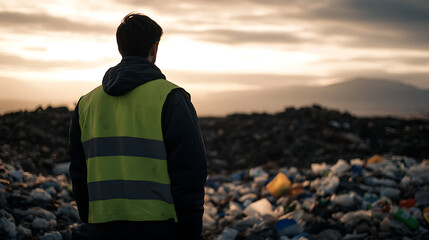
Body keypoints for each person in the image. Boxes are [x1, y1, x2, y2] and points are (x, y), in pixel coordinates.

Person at [68, 12, 207, 240]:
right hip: (160, 227)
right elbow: (191, 172)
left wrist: (89, 218)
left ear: (120, 49)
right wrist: (191, 231)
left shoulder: (87, 103)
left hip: (103, 226)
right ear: (154, 48)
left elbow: (78, 171)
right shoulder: (171, 98)